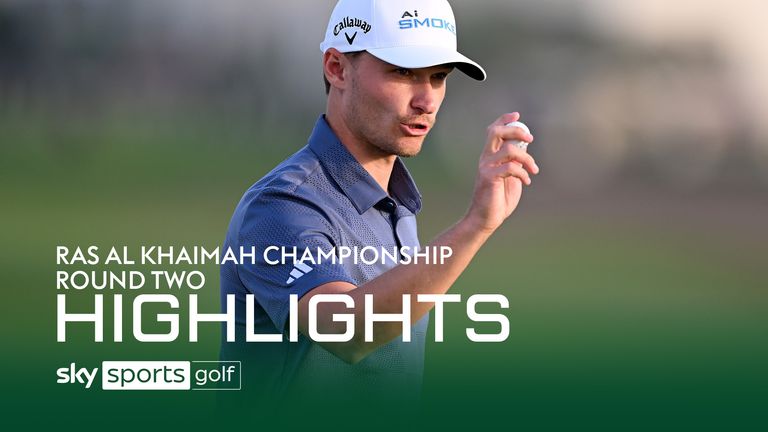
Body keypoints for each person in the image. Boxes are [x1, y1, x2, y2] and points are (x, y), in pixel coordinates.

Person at [219, 0, 539, 403]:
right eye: (403, 72)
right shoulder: (283, 205)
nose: (426, 100)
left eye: (438, 77)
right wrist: (475, 225)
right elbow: (347, 332)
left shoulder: (398, 209)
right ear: (336, 67)